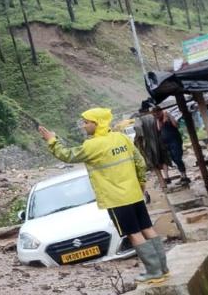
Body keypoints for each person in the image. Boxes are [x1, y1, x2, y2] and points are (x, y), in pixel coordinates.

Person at [38, 108, 168, 284]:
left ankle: (153, 272)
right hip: (134, 194)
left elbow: (67, 155)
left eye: (86, 122)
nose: (84, 126)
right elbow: (140, 162)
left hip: (116, 199)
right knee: (148, 228)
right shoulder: (121, 137)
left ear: (96, 123)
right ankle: (163, 268)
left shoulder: (92, 146)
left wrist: (52, 141)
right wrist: (141, 184)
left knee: (133, 234)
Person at [133, 102, 172, 189]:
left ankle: (162, 183)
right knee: (164, 159)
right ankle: (167, 176)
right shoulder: (154, 116)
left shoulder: (140, 119)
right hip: (160, 141)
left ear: (141, 111)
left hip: (148, 144)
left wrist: (140, 137)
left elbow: (137, 128)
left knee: (154, 163)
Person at [153, 106, 191, 185]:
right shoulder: (159, 120)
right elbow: (159, 129)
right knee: (174, 158)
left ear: (160, 111)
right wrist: (158, 119)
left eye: (157, 114)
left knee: (177, 158)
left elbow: (176, 125)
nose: (156, 116)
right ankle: (183, 176)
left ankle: (184, 176)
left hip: (175, 141)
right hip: (167, 143)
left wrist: (169, 116)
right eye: (155, 115)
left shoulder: (168, 116)